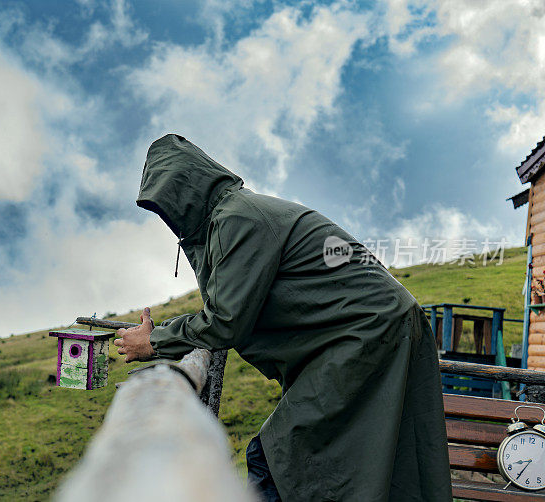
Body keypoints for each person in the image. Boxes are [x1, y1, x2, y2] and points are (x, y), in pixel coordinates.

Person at [114, 134, 452, 501]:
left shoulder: (237, 219)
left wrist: (155, 342)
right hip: (364, 333)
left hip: (366, 334)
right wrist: (163, 333)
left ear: (190, 188)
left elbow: (226, 320)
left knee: (276, 458)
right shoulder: (226, 221)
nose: (170, 216)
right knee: (346, 464)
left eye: (170, 201)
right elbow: (231, 305)